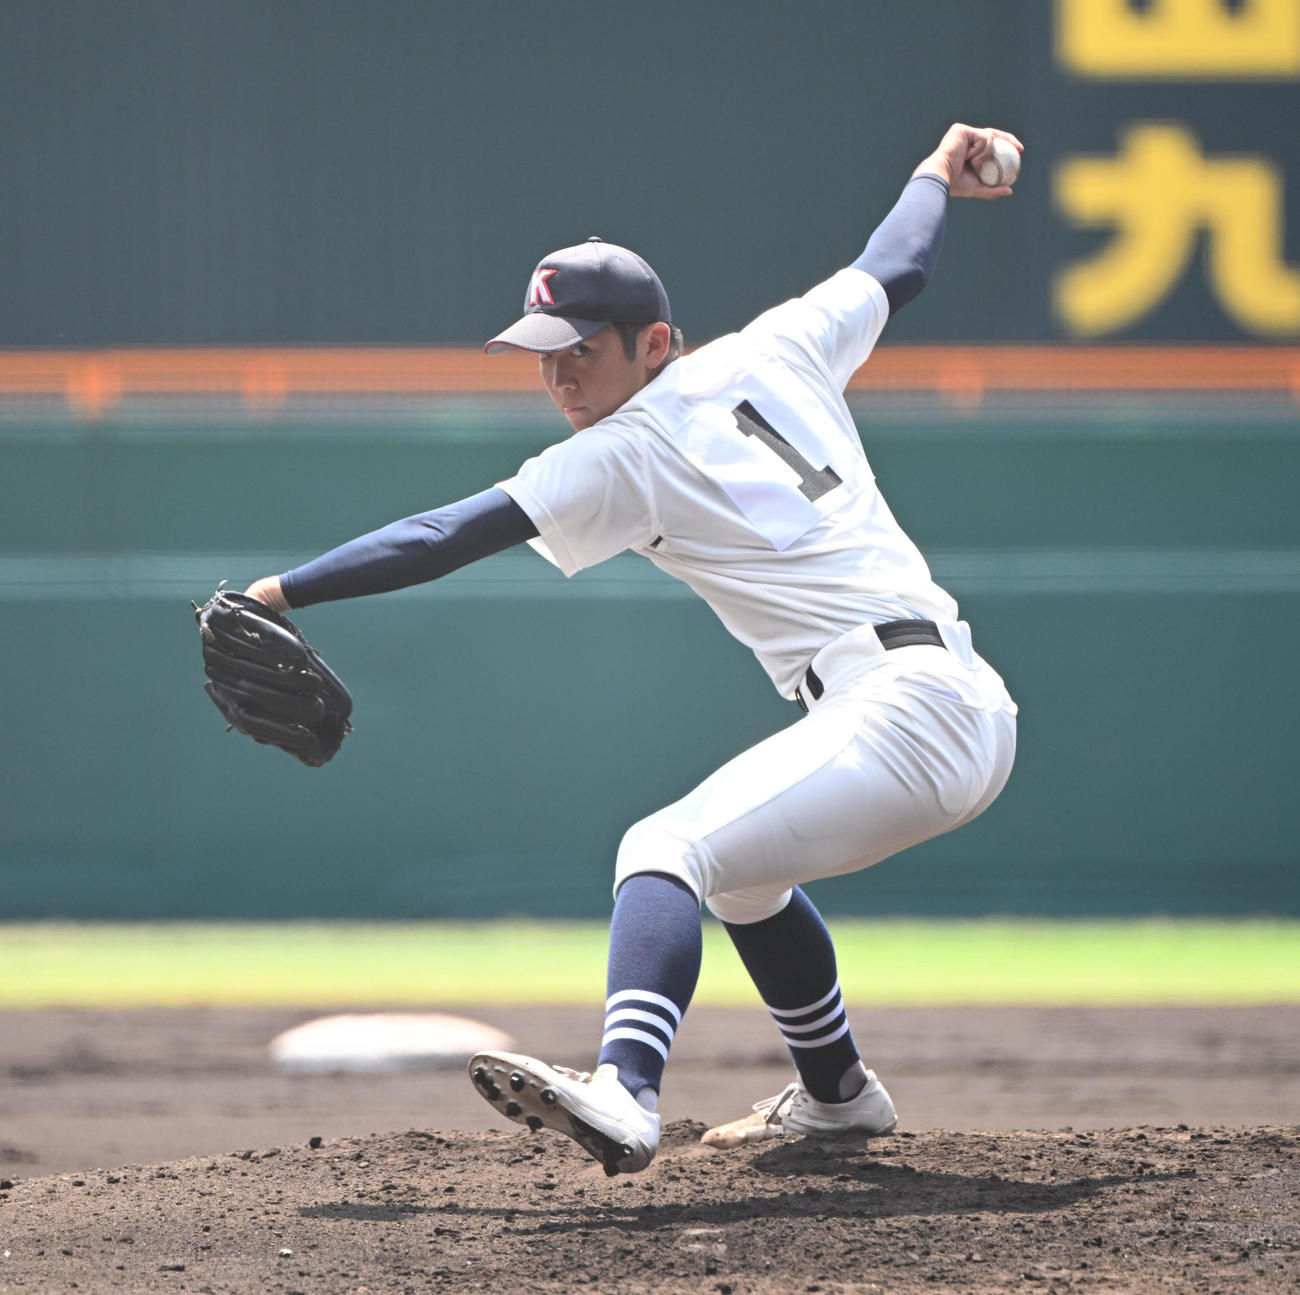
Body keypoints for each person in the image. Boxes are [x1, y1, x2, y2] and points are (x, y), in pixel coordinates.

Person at [244, 123, 1022, 1177]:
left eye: (584, 349)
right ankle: (838, 1092)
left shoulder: (627, 447)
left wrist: (282, 589)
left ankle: (626, 1088)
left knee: (664, 848)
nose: (561, 374)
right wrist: (937, 173)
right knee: (746, 879)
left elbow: (448, 533)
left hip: (903, 709)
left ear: (655, 343)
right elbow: (897, 264)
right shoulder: (780, 345)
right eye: (544, 353)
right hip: (946, 699)